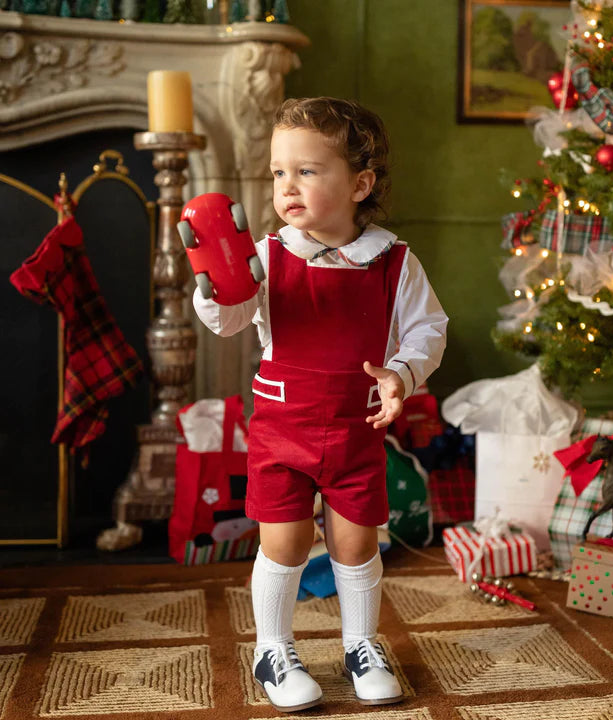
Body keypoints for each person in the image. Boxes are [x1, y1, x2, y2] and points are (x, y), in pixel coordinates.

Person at [193, 96, 448, 712]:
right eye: (279, 172)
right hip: (282, 427)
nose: (288, 185)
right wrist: (217, 285)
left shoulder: (394, 261)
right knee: (284, 540)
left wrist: (402, 374)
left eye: (307, 171)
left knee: (357, 544)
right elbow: (228, 322)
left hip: (356, 426)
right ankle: (273, 649)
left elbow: (429, 330)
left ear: (360, 183)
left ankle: (362, 643)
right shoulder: (266, 254)